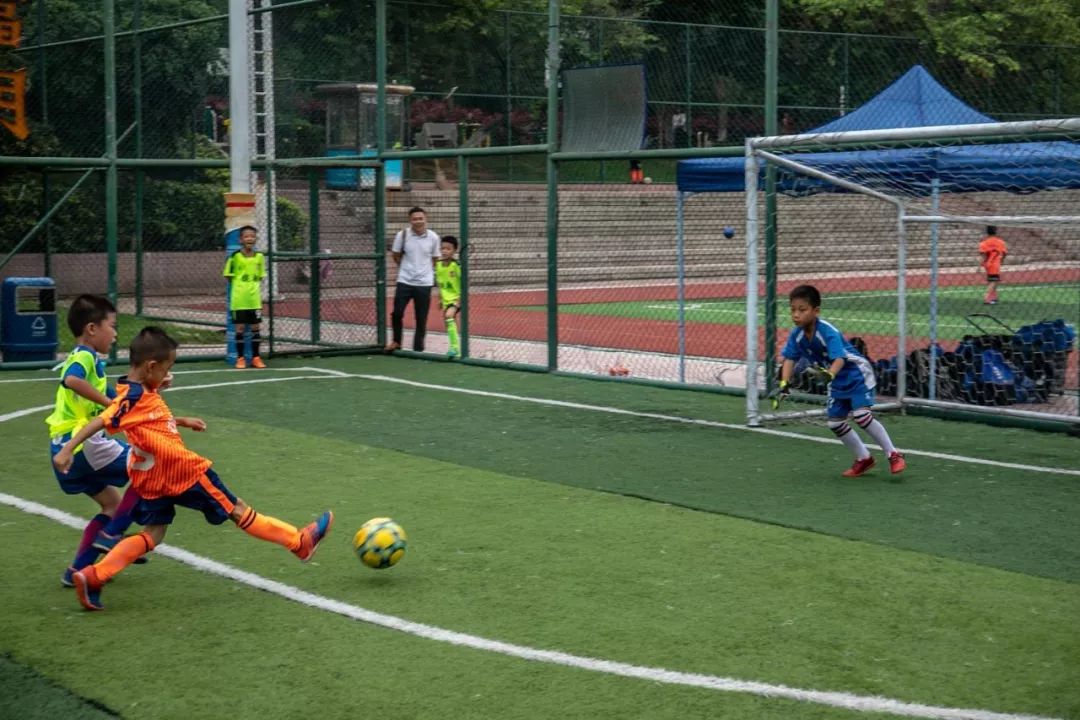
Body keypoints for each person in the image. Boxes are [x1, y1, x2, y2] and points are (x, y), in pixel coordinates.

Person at [54, 327, 333, 611]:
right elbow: (102, 420)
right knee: (237, 509)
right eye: (166, 369)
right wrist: (68, 449)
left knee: (154, 532)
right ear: (151, 366)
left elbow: (145, 417)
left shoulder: (131, 389)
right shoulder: (132, 398)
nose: (167, 375)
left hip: (151, 478)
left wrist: (181, 419)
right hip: (182, 471)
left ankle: (95, 576)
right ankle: (299, 542)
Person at [46, 295, 146, 588]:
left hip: (66, 448)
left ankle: (76, 571)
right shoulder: (84, 357)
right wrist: (108, 403)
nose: (115, 334)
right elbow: (72, 380)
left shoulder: (90, 360)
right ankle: (113, 536)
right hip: (83, 447)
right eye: (112, 326)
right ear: (92, 328)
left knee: (113, 505)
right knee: (152, 466)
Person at [773, 285, 906, 478]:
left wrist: (829, 375)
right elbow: (789, 359)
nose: (796, 315)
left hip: (856, 373)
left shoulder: (827, 332)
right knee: (835, 423)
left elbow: (840, 359)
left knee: (861, 416)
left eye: (802, 310)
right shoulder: (797, 335)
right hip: (835, 378)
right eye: (793, 310)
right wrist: (784, 383)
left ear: (816, 311)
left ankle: (893, 454)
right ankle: (864, 459)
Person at [386, 207, 440, 353]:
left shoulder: (433, 237)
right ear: (410, 220)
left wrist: (426, 272)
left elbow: (435, 258)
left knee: (421, 317)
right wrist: (406, 268)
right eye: (415, 219)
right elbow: (396, 255)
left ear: (425, 219)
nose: (418, 221)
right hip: (405, 281)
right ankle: (396, 342)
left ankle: (418, 348)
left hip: (424, 283)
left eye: (420, 218)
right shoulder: (402, 235)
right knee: (397, 313)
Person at [223, 225, 267, 368]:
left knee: (255, 328)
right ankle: (240, 359)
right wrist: (241, 287)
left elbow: (260, 276)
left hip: (254, 300)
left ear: (255, 239)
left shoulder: (260, 257)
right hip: (239, 300)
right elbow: (228, 276)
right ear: (241, 239)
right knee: (240, 329)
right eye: (246, 236)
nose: (250, 239)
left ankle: (256, 358)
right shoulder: (235, 257)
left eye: (252, 236)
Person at [436, 235, 462, 358]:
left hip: (456, 298)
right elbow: (440, 284)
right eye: (443, 248)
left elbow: (463, 283)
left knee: (449, 316)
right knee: (449, 322)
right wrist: (440, 299)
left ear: (454, 250)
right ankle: (456, 348)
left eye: (448, 249)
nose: (445, 251)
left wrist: (459, 300)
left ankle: (454, 348)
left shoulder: (456, 265)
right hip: (445, 299)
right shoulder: (439, 265)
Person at [978, 226, 1008, 305]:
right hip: (995, 264)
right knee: (994, 281)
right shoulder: (1001, 242)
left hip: (987, 264)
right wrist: (1002, 261)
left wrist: (979, 266)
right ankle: (986, 298)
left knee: (992, 280)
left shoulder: (984, 243)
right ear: (996, 231)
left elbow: (982, 255)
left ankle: (994, 298)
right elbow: (1004, 254)